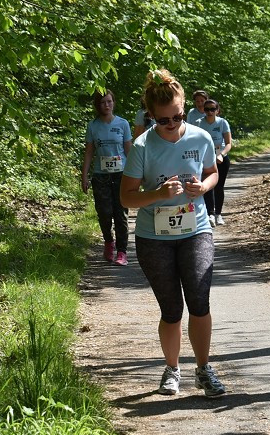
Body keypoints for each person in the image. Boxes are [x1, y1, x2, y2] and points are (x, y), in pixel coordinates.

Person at [120, 70, 226, 397]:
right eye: (164, 120)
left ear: (184, 109)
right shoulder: (142, 146)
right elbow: (126, 197)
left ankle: (204, 369)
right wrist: (158, 194)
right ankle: (173, 369)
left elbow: (212, 173)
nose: (172, 124)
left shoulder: (200, 137)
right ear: (151, 116)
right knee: (171, 309)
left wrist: (202, 187)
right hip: (155, 237)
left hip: (196, 229)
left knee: (199, 299)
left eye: (178, 117)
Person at [81, 91, 133, 265]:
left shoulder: (123, 124)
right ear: (98, 105)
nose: (107, 105)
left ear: (114, 103)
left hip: (121, 175)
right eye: (103, 102)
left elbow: (129, 151)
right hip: (100, 175)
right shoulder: (93, 126)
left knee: (120, 214)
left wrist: (136, 176)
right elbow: (89, 152)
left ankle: (122, 251)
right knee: (104, 212)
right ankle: (109, 242)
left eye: (110, 101)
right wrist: (84, 176)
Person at [195, 99, 232, 225]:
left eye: (212, 109)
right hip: (205, 157)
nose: (209, 112)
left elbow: (228, 144)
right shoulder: (199, 123)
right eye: (207, 109)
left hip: (220, 156)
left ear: (217, 110)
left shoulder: (222, 123)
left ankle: (218, 214)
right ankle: (210, 214)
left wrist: (221, 155)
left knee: (219, 187)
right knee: (207, 186)